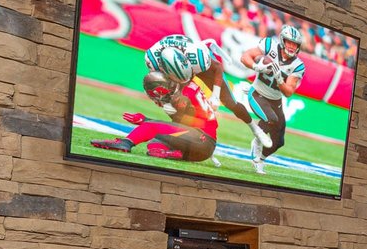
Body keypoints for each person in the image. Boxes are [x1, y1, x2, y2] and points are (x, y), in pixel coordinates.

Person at [91, 35, 225, 163]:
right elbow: (185, 123)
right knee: (154, 145)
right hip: (199, 146)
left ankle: (125, 143)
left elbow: (190, 122)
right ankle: (175, 154)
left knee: (152, 127)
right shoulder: (188, 87)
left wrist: (147, 121)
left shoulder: (184, 95)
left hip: (201, 140)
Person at [230, 25, 305, 174]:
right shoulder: (269, 45)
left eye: (295, 44)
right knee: (271, 119)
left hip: (275, 101)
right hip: (257, 93)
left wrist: (280, 80)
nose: (292, 46)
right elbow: (245, 57)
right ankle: (257, 139)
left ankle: (260, 160)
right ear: (283, 40)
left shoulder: (297, 65)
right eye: (289, 42)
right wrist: (256, 67)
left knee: (278, 142)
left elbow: (289, 92)